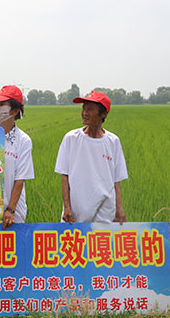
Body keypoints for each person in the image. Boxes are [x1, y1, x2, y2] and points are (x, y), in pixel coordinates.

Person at [54, 91, 128, 224]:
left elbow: (116, 180)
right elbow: (64, 176)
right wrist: (67, 207)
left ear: (103, 114)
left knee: (101, 237)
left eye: (90, 109)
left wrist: (120, 208)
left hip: (105, 211)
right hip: (77, 210)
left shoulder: (113, 141)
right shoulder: (71, 138)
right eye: (83, 109)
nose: (84, 113)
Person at [0, 85, 35, 228]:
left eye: (1, 105)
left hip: (12, 210)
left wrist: (10, 210)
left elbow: (20, 179)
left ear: (15, 110)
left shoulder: (23, 140)